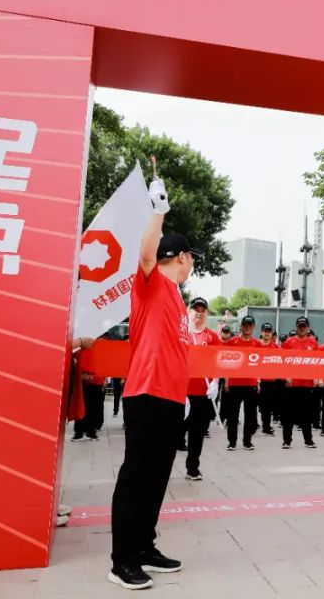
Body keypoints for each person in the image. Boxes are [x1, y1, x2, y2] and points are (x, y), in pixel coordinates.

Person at [108, 176, 195, 590]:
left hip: (171, 398)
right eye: (190, 258)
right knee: (137, 476)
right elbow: (145, 255)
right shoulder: (151, 282)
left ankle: (144, 546)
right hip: (145, 393)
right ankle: (122, 560)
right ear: (181, 257)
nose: (192, 264)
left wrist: (185, 395)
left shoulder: (176, 295)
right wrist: (158, 212)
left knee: (158, 477)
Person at [185, 297, 220, 481]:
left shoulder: (212, 337)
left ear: (207, 313)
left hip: (203, 393)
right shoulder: (181, 334)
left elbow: (218, 362)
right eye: (195, 309)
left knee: (197, 433)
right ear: (188, 311)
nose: (198, 313)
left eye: (202, 310)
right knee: (172, 432)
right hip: (182, 393)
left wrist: (215, 382)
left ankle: (192, 468)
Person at [280, 316, 319, 449]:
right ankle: (287, 440)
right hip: (292, 384)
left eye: (304, 326)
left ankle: (308, 440)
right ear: (296, 327)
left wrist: (317, 377)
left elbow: (317, 362)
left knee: (306, 414)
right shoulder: (289, 342)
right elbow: (282, 361)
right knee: (288, 414)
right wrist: (286, 376)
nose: (302, 328)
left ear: (308, 328)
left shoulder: (313, 343)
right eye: (300, 326)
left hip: (307, 384)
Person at [223, 316, 261, 450]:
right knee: (232, 415)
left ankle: (247, 441)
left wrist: (258, 381)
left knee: (250, 415)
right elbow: (226, 362)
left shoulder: (257, 344)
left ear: (254, 327)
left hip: (251, 384)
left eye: (250, 325)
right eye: (245, 325)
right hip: (234, 383)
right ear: (241, 326)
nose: (247, 327)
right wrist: (226, 380)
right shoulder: (232, 342)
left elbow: (260, 364)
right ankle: (232, 442)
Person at [72, 341, 106, 441]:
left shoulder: (101, 344)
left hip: (97, 378)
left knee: (94, 407)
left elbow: (104, 361)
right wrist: (81, 370)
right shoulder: (82, 342)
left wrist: (104, 379)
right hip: (84, 378)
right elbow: (73, 354)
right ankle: (79, 432)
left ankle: (90, 431)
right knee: (82, 406)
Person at [258, 322, 283, 436]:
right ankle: (253, 424)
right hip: (257, 381)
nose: (267, 333)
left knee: (267, 406)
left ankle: (266, 427)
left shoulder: (276, 347)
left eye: (269, 331)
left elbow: (281, 362)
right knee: (256, 405)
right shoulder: (256, 345)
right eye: (265, 331)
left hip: (271, 381)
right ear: (261, 332)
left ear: (272, 333)